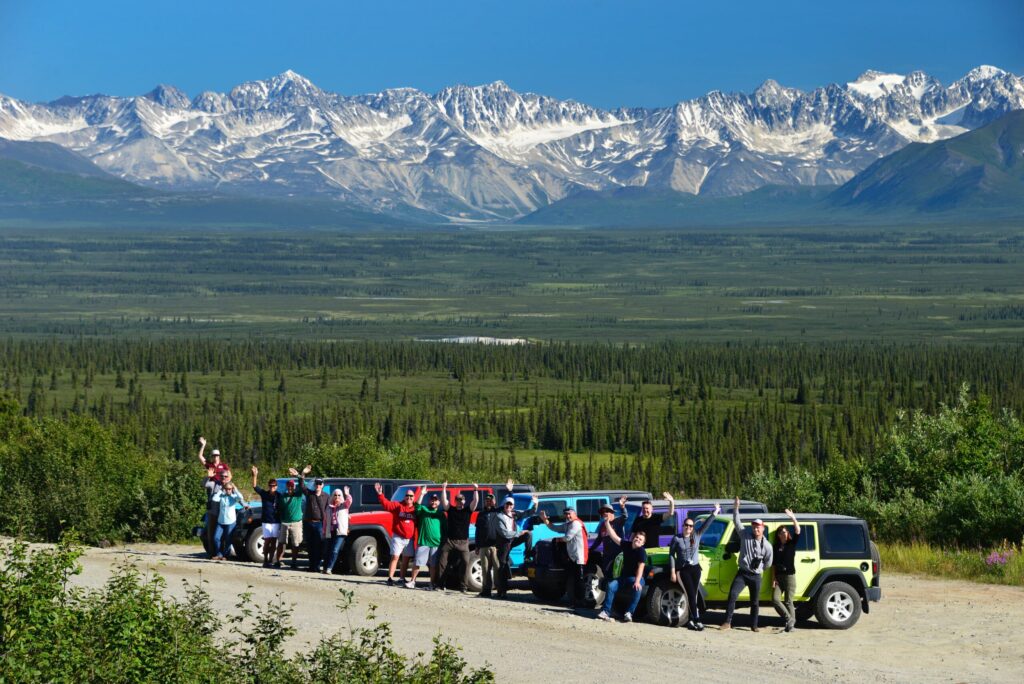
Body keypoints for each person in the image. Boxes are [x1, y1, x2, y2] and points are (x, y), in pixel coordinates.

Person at [722, 496, 774, 632]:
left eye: (758, 527)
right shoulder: (745, 534)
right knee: (732, 595)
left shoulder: (767, 546)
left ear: (763, 528)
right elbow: (736, 521)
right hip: (743, 573)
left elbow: (768, 562)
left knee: (755, 602)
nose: (756, 529)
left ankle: (754, 625)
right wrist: (736, 507)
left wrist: (760, 568)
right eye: (754, 526)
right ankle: (727, 622)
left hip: (756, 576)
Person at [669, 502, 720, 630]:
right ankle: (697, 620)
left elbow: (706, 525)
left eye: (691, 526)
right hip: (683, 570)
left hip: (695, 569)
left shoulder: (696, 535)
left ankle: (691, 621)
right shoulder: (676, 539)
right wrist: (673, 571)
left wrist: (715, 511)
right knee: (691, 594)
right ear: (683, 526)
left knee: (694, 595)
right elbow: (671, 555)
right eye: (686, 525)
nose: (689, 528)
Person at [491, 488, 538, 598]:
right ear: (504, 505)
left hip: (512, 540)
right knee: (503, 566)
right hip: (503, 543)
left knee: (528, 534)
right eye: (507, 504)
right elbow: (505, 534)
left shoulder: (514, 514)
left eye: (511, 505)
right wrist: (519, 532)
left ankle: (527, 555)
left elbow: (529, 513)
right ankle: (501, 591)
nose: (509, 506)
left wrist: (535, 504)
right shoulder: (499, 516)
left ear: (513, 506)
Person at [538, 506, 587, 610]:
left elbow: (567, 537)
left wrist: (558, 540)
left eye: (570, 513)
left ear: (575, 514)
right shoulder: (569, 524)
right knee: (573, 580)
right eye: (566, 514)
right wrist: (545, 520)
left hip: (579, 556)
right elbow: (555, 528)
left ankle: (582, 602)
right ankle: (575, 602)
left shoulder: (576, 523)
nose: (568, 516)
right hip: (572, 557)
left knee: (580, 580)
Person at [595, 527, 647, 622]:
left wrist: (637, 581)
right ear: (633, 538)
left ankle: (629, 613)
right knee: (610, 585)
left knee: (637, 588)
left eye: (640, 539)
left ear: (643, 543)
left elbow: (641, 567)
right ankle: (606, 612)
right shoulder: (627, 545)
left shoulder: (641, 552)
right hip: (623, 577)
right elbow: (614, 537)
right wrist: (607, 524)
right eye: (637, 537)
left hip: (636, 578)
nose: (638, 540)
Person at [436, 482, 479, 592]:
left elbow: (475, 501)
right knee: (442, 561)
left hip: (463, 542)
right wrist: (444, 488)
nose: (460, 501)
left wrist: (475, 490)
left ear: (464, 501)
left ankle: (463, 587)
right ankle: (440, 584)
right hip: (450, 541)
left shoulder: (468, 510)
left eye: (461, 499)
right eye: (458, 499)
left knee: (465, 562)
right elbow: (445, 502)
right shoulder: (451, 509)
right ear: (455, 501)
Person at [377, 482, 417, 587]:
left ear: (414, 498)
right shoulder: (397, 505)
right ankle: (390, 578)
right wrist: (380, 494)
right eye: (407, 495)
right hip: (398, 536)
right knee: (395, 556)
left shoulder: (416, 509)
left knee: (406, 559)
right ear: (404, 497)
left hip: (410, 538)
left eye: (411, 496)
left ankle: (402, 578)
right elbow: (386, 504)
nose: (409, 497)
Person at [292, 466, 329, 573]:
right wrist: (302, 474)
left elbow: (330, 510)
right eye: (316, 483)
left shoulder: (326, 496)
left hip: (320, 524)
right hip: (308, 523)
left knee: (318, 546)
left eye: (319, 484)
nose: (318, 485)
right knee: (310, 546)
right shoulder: (309, 494)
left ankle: (317, 566)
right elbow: (302, 485)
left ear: (322, 485)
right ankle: (311, 566)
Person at [771, 508, 802, 632]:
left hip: (789, 576)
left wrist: (793, 518)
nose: (783, 534)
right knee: (775, 599)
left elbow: (798, 531)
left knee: (789, 601)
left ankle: (791, 626)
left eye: (785, 532)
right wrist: (773, 578)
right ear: (778, 535)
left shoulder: (791, 543)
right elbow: (773, 564)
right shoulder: (776, 546)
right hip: (778, 577)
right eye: (781, 532)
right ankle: (789, 619)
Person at [411, 490, 447, 590]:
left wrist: (444, 542)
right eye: (432, 500)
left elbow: (445, 529)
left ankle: (431, 583)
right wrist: (422, 494)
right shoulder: (423, 510)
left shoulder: (441, 514)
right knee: (417, 563)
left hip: (436, 543)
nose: (434, 502)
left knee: (433, 565)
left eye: (436, 501)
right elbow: (416, 505)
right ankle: (412, 581)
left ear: (439, 502)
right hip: (423, 541)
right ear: (429, 501)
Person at [209, 480, 248, 560]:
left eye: (230, 489)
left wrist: (235, 489)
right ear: (224, 489)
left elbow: (241, 497)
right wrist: (221, 490)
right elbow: (214, 499)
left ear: (232, 489)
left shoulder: (234, 497)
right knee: (216, 538)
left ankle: (225, 555)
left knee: (228, 539)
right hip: (221, 521)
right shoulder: (221, 496)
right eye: (227, 489)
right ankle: (219, 553)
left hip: (230, 522)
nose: (228, 490)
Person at [250, 465, 280, 568]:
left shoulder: (279, 496)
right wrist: (255, 475)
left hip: (276, 522)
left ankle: (271, 560)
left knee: (274, 541)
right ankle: (265, 559)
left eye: (274, 485)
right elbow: (254, 486)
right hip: (266, 521)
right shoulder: (264, 494)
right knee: (267, 541)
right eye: (271, 485)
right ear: (268, 486)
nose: (272, 487)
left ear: (276, 486)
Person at [321, 486, 353, 574]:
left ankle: (329, 568)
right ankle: (325, 567)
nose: (337, 497)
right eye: (335, 495)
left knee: (335, 550)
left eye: (339, 495)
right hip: (330, 531)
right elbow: (325, 521)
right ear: (333, 496)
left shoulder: (344, 505)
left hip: (341, 532)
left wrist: (347, 494)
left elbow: (349, 501)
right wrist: (324, 531)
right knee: (327, 550)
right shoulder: (329, 507)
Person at [590, 503, 626, 579]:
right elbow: (599, 540)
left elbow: (625, 516)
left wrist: (622, 507)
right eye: (602, 512)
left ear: (612, 512)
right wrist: (590, 549)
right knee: (607, 574)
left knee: (617, 575)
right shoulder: (603, 525)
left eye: (607, 511)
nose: (604, 513)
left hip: (618, 555)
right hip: (607, 555)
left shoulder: (618, 521)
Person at [276, 477, 305, 569]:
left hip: (296, 522)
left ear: (294, 487)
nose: (290, 488)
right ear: (286, 486)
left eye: (292, 486)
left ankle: (294, 562)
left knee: (295, 543)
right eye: (289, 486)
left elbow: (302, 486)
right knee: (281, 542)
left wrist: (299, 476)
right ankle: (278, 560)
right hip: (284, 522)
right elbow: (279, 509)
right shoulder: (282, 496)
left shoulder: (298, 495)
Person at [476, 492, 501, 598]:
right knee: (485, 569)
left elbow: (508, 504)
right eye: (487, 500)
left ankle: (500, 590)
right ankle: (486, 591)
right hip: (483, 546)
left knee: (497, 569)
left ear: (494, 502)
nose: (488, 502)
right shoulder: (481, 514)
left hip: (496, 546)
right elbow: (478, 530)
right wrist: (477, 545)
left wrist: (510, 491)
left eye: (490, 500)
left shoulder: (498, 512)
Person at [203, 467, 232, 554]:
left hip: (224, 514)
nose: (223, 478)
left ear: (228, 477)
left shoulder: (231, 486)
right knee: (211, 534)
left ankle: (224, 554)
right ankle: (212, 553)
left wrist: (245, 505)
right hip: (213, 513)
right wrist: (208, 477)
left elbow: (238, 497)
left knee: (224, 535)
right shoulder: (214, 484)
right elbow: (204, 484)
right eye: (222, 476)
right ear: (219, 477)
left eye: (225, 476)